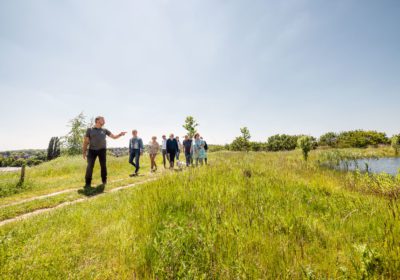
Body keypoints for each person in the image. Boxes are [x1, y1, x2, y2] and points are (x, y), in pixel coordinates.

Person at [83, 116, 126, 188]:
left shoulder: (105, 130)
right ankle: (88, 183)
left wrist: (120, 134)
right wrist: (84, 152)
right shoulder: (89, 130)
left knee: (103, 166)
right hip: (92, 150)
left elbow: (114, 137)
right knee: (90, 166)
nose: (104, 121)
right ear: (97, 121)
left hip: (102, 150)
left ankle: (104, 181)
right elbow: (86, 141)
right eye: (102, 120)